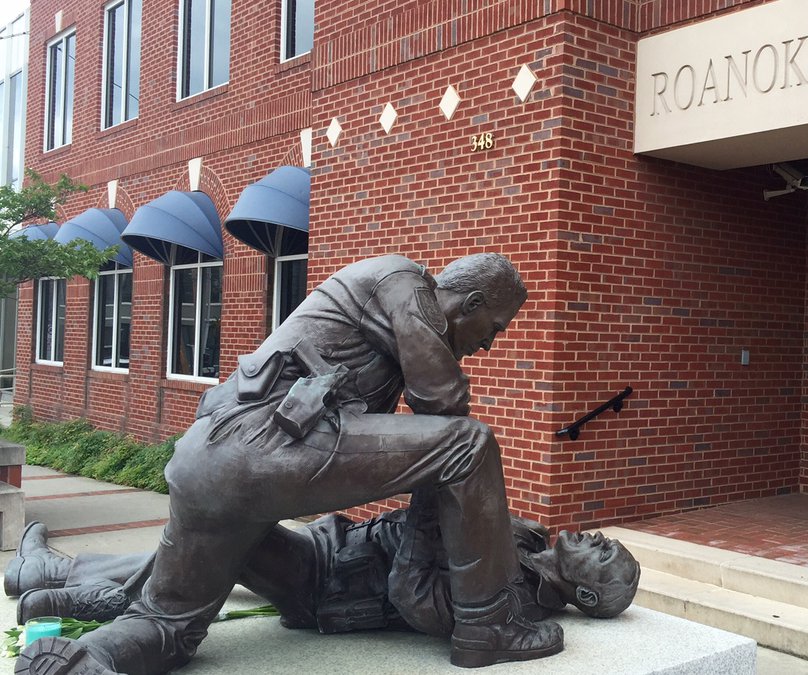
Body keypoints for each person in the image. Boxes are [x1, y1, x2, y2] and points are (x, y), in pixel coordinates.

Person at [17, 254, 561, 674]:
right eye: (494, 327)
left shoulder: (385, 319)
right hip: (260, 448)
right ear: (467, 304)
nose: (489, 345)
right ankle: (489, 624)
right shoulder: (403, 282)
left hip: (210, 464)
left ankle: (83, 660)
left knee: (169, 625)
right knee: (469, 444)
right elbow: (441, 401)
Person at [6, 507, 640, 633]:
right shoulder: (527, 536)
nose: (599, 537)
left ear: (584, 590)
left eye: (604, 552)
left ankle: (77, 587)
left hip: (331, 587)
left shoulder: (511, 602)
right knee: (220, 528)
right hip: (338, 546)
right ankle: (53, 573)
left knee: (230, 529)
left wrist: (422, 514)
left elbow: (413, 598)